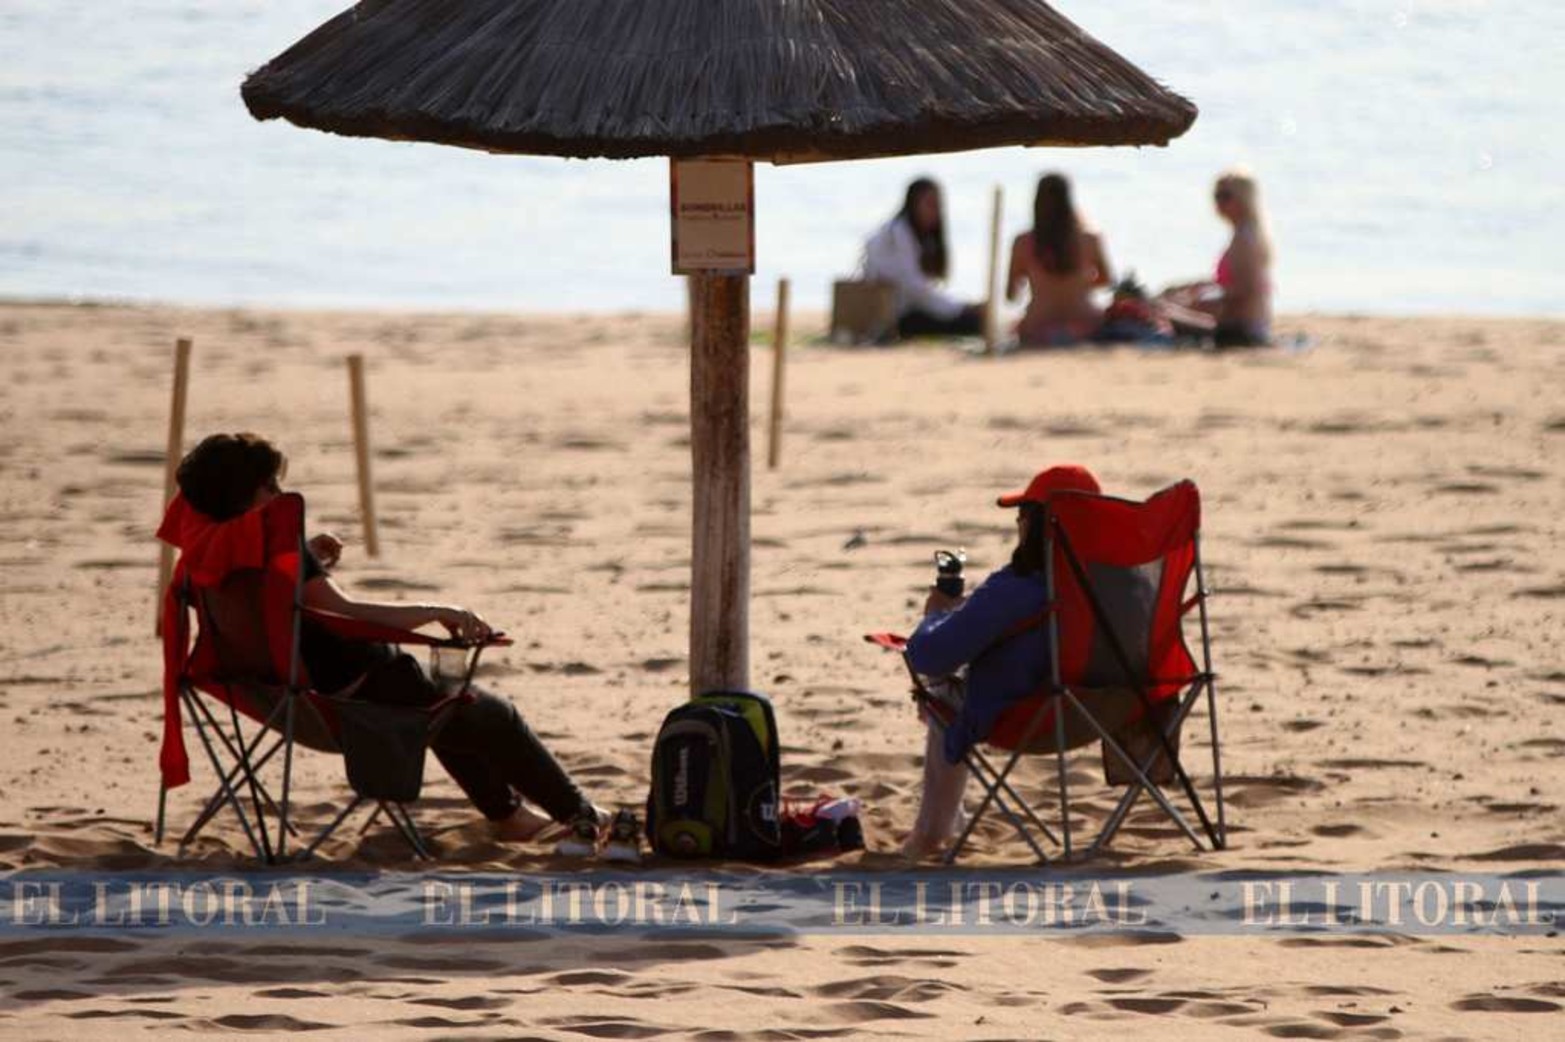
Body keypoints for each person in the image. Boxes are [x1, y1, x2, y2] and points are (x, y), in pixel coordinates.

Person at [172, 432, 602, 848]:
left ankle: (511, 817)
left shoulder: (209, 552)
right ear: (241, 492)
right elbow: (347, 614)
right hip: (359, 699)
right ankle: (580, 816)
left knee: (450, 706)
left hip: (287, 701)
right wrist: (439, 612)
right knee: (489, 715)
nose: (279, 494)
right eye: (269, 486)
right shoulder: (270, 542)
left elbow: (271, 600)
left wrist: (306, 560)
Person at [900, 464, 1103, 861]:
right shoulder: (1121, 582)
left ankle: (931, 832)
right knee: (950, 687)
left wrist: (937, 614)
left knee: (942, 692)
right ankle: (948, 820)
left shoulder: (1020, 588)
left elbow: (929, 655)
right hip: (1113, 707)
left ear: (1037, 525)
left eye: (1023, 515)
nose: (1018, 524)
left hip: (1034, 714)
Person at [1160, 168, 1274, 347]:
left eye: (1225, 196)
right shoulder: (1244, 234)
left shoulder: (1245, 240)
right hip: (1238, 325)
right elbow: (1234, 283)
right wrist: (1199, 287)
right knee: (1166, 303)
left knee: (1161, 311)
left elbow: (1245, 290)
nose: (1219, 202)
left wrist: (1198, 301)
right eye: (1216, 196)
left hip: (1242, 330)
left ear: (1244, 199)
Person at [862, 177, 985, 339]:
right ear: (914, 204)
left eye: (937, 205)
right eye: (929, 204)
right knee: (972, 323)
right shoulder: (899, 233)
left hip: (907, 310)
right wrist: (961, 308)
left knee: (974, 320)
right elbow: (915, 289)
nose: (935, 211)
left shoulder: (916, 236)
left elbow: (921, 289)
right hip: (898, 317)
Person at [1006, 173, 1113, 345]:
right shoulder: (1090, 239)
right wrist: (1078, 284)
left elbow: (1011, 294)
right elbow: (1107, 280)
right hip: (1086, 325)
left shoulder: (1022, 242)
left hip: (1038, 327)